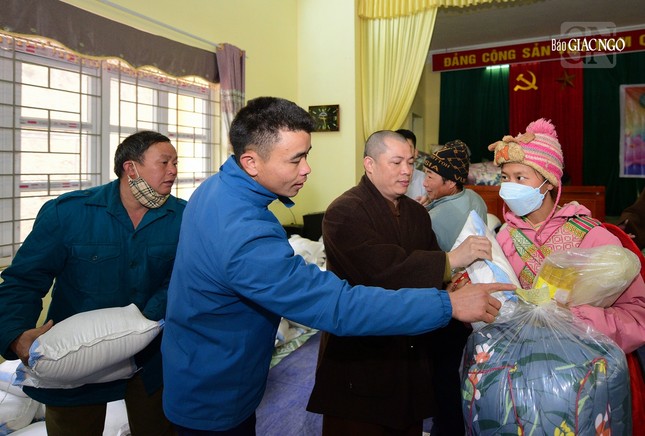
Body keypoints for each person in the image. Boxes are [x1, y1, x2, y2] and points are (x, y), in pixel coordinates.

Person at [160, 97, 514, 435]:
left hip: (209, 366)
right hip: (216, 389)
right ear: (251, 162)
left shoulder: (219, 188)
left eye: (307, 155)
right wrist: (447, 304)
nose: (307, 169)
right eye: (296, 160)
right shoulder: (245, 230)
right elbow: (337, 304)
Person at [306, 130, 492, 436]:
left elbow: (432, 272)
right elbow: (382, 271)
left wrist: (454, 287)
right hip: (363, 353)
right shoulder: (343, 212)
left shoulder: (417, 214)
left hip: (411, 349)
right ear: (370, 164)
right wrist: (451, 259)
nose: (407, 171)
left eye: (410, 162)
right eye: (396, 162)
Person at [0, 131, 184, 436]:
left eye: (176, 163)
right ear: (131, 168)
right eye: (164, 162)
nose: (174, 170)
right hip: (76, 359)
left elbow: (183, 279)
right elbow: (23, 280)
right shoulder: (69, 213)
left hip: (150, 359)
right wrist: (16, 337)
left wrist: (145, 319)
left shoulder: (183, 218)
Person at [488, 118, 645, 353]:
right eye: (504, 177)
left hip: (582, 359)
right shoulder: (504, 238)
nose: (509, 186)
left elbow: (636, 318)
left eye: (520, 177)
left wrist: (572, 318)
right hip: (520, 357)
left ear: (549, 182)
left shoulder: (594, 238)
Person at [424, 140, 488, 252]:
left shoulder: (432, 219)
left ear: (451, 182)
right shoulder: (476, 197)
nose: (424, 183)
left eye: (430, 177)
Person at [397, 128, 430, 206]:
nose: (403, 152)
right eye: (399, 147)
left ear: (415, 153)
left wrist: (430, 199)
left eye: (408, 147)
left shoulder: (426, 180)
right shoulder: (385, 178)